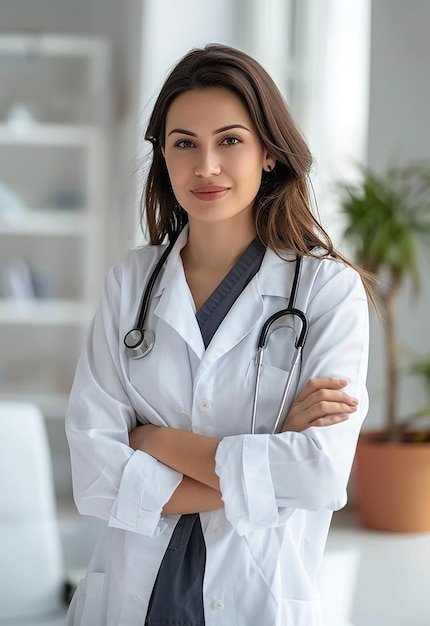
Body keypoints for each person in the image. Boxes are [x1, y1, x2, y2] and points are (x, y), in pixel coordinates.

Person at [65, 43, 372, 626]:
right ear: (164, 158)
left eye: (229, 140)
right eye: (185, 144)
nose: (206, 165)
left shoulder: (326, 293)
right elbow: (94, 475)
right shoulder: (130, 283)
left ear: (269, 155)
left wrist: (154, 441)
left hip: (259, 596)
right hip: (132, 600)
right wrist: (268, 456)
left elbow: (319, 473)